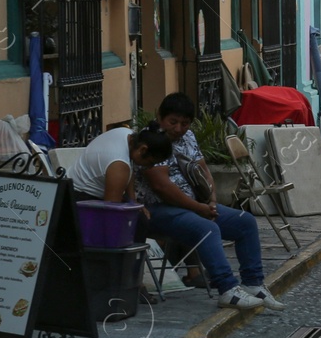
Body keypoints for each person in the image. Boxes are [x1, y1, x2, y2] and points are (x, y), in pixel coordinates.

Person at [140, 93, 282, 313]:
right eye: (173, 122)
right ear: (160, 117)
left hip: (195, 205)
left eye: (184, 123)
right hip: (160, 209)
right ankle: (227, 289)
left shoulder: (188, 138)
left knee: (245, 222)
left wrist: (212, 199)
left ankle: (252, 283)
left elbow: (203, 169)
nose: (178, 129)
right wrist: (199, 208)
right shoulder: (152, 140)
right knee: (207, 228)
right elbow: (161, 186)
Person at [68, 125, 172, 203]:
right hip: (80, 199)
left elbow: (129, 170)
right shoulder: (119, 166)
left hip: (72, 187)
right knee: (139, 222)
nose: (150, 167)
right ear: (143, 149)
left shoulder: (127, 134)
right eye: (150, 162)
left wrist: (133, 202)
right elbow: (112, 211)